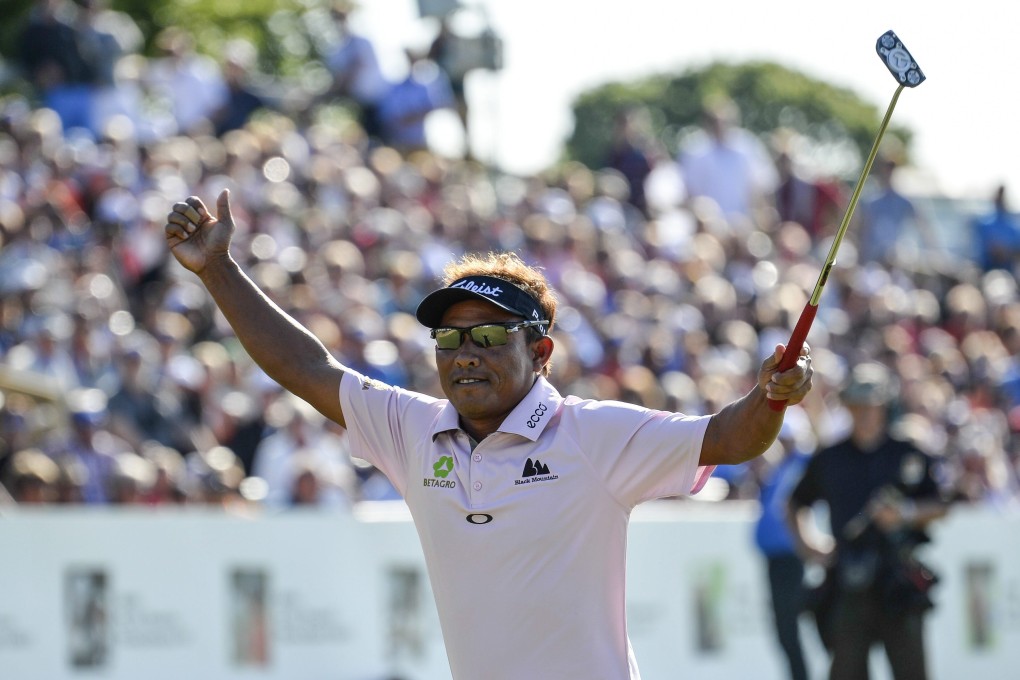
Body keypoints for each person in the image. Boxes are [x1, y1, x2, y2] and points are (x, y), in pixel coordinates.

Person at [164, 190, 814, 680]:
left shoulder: (592, 433)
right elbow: (306, 367)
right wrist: (217, 269)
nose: (463, 352)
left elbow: (730, 439)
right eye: (448, 337)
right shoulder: (412, 430)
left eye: (487, 336)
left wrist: (769, 397)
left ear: (541, 353)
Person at [787, 362, 949, 680]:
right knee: (846, 671)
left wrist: (905, 514)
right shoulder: (830, 458)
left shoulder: (907, 452)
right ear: (847, 407)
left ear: (884, 407)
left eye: (871, 406)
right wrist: (810, 545)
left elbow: (941, 503)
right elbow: (795, 503)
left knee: (912, 671)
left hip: (897, 577)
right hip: (849, 580)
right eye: (857, 406)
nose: (864, 414)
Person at [753, 406, 815, 680]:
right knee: (783, 629)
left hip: (792, 558)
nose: (783, 442)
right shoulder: (781, 467)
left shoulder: (803, 463)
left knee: (789, 626)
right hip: (777, 560)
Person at [972, 183, 1020, 273]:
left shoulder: (1013, 226)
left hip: (1009, 273)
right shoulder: (984, 224)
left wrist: (1007, 252)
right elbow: (983, 250)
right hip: (987, 272)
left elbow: (1016, 251)